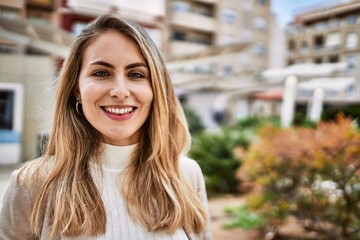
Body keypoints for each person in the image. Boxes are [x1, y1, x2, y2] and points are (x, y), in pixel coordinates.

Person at [0, 14, 211, 240]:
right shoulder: (30, 184)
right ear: (76, 89)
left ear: (156, 89)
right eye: (101, 73)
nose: (120, 91)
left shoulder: (187, 175)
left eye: (136, 74)